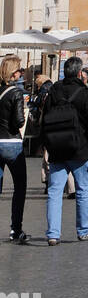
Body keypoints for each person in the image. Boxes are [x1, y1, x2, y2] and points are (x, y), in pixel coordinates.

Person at [40, 56, 88, 244]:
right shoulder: (85, 93)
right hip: (79, 148)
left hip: (56, 148)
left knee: (54, 191)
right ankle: (84, 229)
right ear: (80, 73)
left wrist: (45, 143)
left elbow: (44, 118)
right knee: (83, 189)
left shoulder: (54, 90)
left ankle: (53, 234)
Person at [0, 55, 29, 243]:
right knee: (19, 187)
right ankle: (15, 229)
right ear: (13, 73)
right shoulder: (16, 93)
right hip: (11, 144)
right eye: (19, 71)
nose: (21, 74)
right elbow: (19, 120)